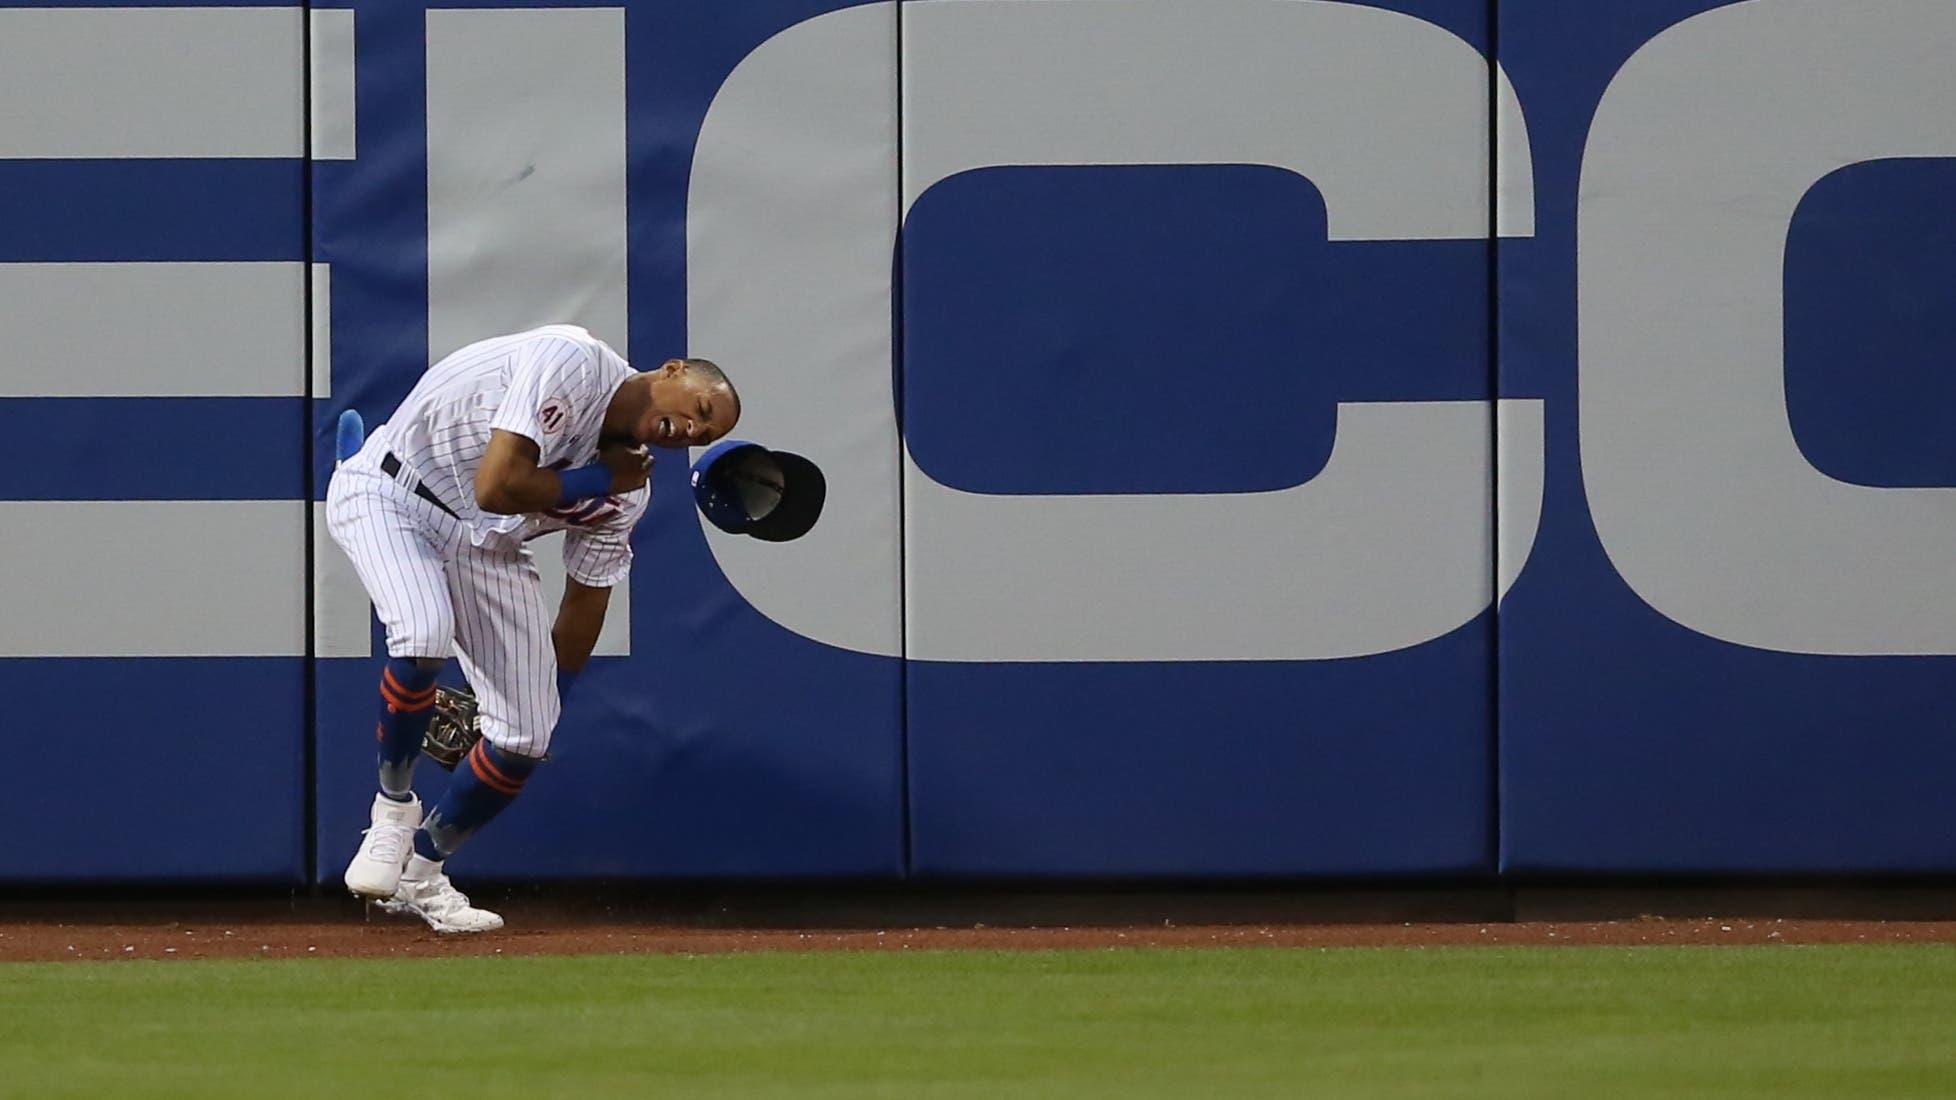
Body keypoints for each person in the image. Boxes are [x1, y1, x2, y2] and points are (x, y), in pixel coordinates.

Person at [325, 324, 738, 932]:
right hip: (393, 490)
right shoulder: (574, 362)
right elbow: (496, 487)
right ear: (671, 370)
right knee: (423, 634)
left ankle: (421, 873)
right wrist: (601, 476)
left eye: (706, 434)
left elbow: (584, 604)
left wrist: (551, 699)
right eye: (701, 409)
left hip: (482, 549)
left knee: (524, 737)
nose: (695, 430)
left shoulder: (629, 495)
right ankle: (393, 813)